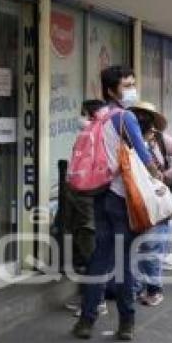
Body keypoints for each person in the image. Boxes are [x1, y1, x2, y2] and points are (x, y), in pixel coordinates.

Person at [72, 66, 161, 341]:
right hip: (122, 198)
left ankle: (87, 321)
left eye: (133, 83)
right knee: (123, 262)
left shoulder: (99, 117)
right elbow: (145, 157)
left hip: (98, 195)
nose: (132, 89)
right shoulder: (125, 118)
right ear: (111, 90)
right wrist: (159, 178)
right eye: (126, 85)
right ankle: (126, 322)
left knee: (100, 259)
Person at [130, 101, 172, 306]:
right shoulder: (129, 139)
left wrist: (166, 175)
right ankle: (141, 287)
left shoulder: (157, 139)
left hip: (155, 198)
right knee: (145, 246)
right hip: (140, 197)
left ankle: (153, 289)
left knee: (151, 245)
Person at [63, 99, 109, 317]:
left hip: (86, 199)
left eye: (81, 113)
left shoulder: (90, 135)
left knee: (90, 251)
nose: (78, 117)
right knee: (92, 249)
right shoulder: (102, 133)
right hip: (96, 199)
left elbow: (80, 172)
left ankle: (95, 301)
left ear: (89, 115)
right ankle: (92, 298)